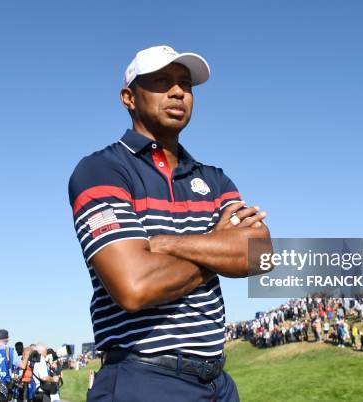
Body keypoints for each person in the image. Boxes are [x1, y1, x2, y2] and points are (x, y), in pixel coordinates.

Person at [68, 45, 271, 402]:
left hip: (218, 383)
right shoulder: (102, 170)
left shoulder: (214, 179)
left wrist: (165, 243)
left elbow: (259, 256)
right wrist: (217, 244)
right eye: (162, 82)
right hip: (143, 379)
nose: (178, 92)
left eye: (184, 84)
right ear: (129, 97)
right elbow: (135, 286)